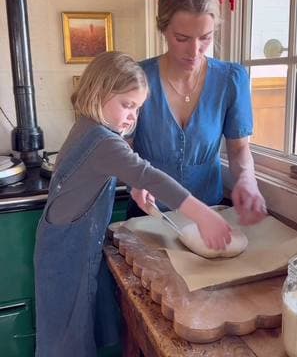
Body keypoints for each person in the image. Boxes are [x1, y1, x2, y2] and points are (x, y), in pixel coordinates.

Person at [34, 51, 233, 357]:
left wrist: (135, 185)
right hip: (67, 253)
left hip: (69, 245)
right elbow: (148, 173)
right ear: (98, 93)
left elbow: (127, 169)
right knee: (66, 339)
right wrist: (203, 215)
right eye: (126, 105)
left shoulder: (90, 127)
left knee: (81, 326)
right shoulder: (101, 140)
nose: (132, 116)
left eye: (138, 109)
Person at [128, 0, 267, 226]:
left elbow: (238, 149)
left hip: (209, 215)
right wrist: (136, 179)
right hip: (148, 215)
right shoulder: (136, 78)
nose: (195, 51)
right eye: (182, 38)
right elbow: (123, 147)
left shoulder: (231, 79)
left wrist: (247, 180)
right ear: (163, 29)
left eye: (206, 38)